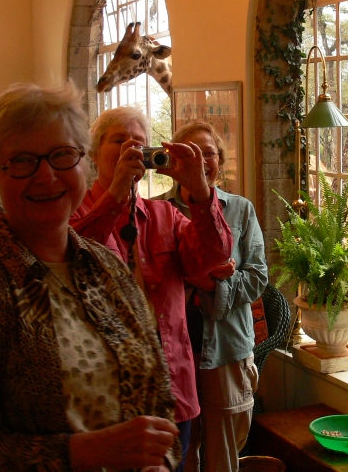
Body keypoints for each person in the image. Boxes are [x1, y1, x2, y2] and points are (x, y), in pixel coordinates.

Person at [0, 83, 181, 471]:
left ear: (83, 162)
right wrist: (80, 453)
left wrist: (160, 458)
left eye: (62, 155)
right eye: (22, 161)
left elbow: (158, 399)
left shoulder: (108, 270)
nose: (46, 176)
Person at [70, 107, 233, 471]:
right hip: (104, 399)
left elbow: (212, 255)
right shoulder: (73, 213)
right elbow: (73, 263)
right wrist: (115, 194)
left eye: (140, 144)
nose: (131, 149)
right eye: (119, 141)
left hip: (171, 392)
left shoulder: (164, 215)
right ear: (94, 153)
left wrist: (200, 190)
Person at [155, 121, 268, 472]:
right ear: (173, 160)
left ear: (220, 159)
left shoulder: (241, 209)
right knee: (181, 448)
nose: (201, 162)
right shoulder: (156, 211)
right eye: (190, 153)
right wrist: (195, 277)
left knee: (224, 451)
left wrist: (211, 286)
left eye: (209, 153)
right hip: (171, 352)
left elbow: (257, 277)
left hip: (226, 347)